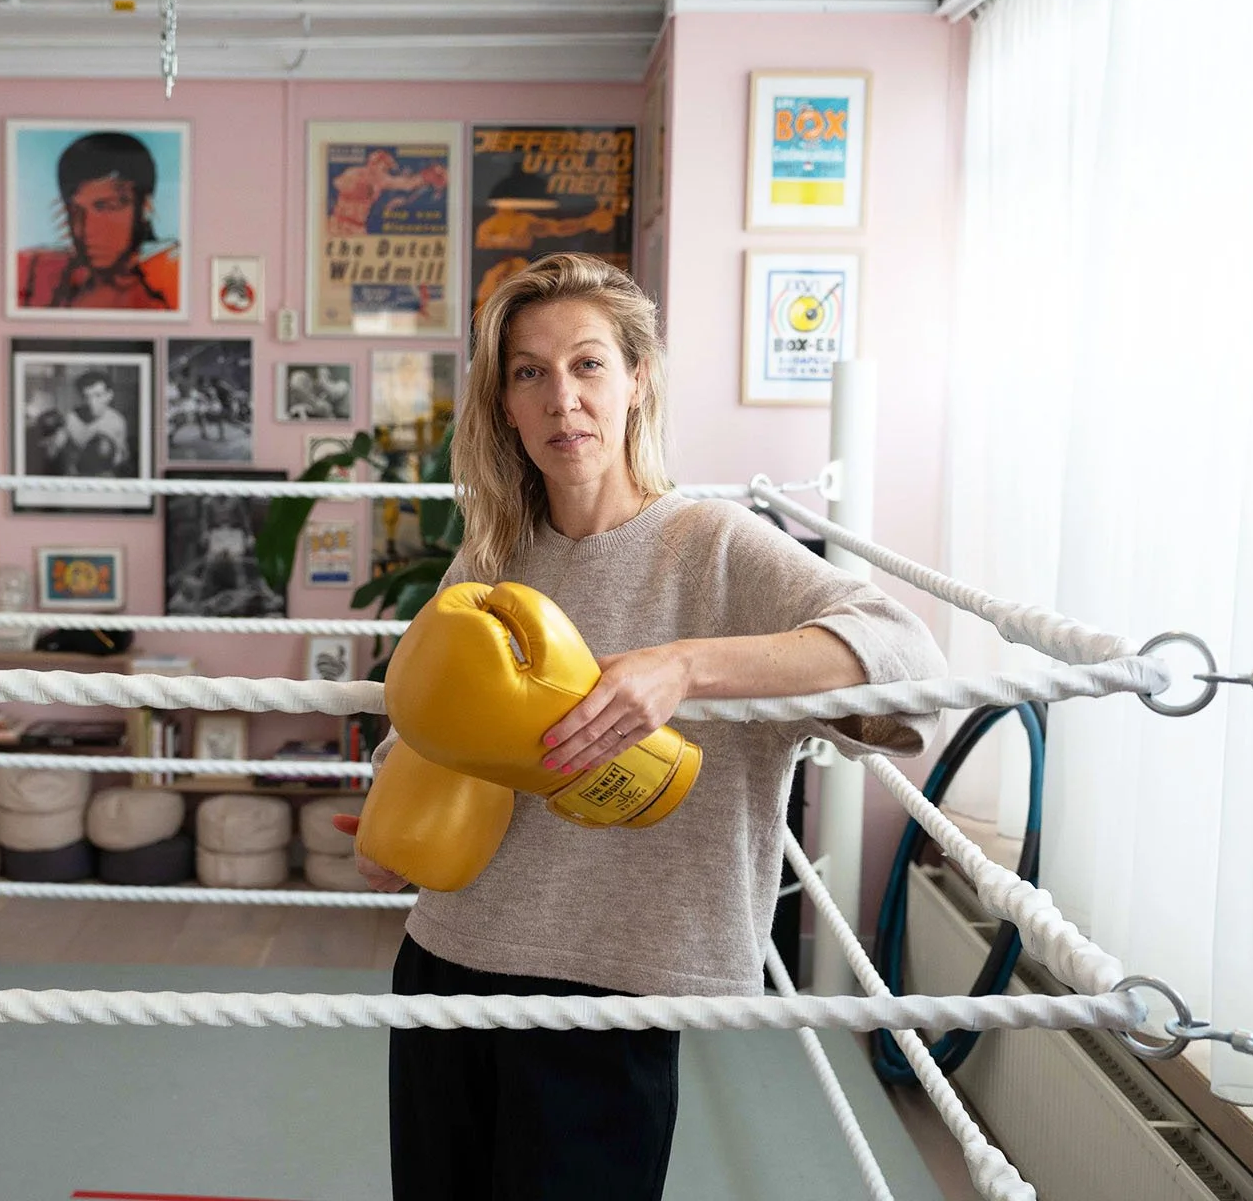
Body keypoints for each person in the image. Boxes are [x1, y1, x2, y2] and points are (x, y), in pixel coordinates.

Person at [331, 252, 946, 1201]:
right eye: (530, 373)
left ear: (636, 382)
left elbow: (907, 654)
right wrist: (392, 819)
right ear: (503, 404)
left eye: (586, 366)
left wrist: (687, 665)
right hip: (450, 954)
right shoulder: (493, 557)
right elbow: (423, 725)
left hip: (608, 980)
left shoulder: (709, 545)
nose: (561, 399)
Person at [15, 132, 180, 311]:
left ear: (145, 207)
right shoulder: (38, 271)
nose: (85, 229)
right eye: (75, 211)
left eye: (107, 206)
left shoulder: (172, 273)